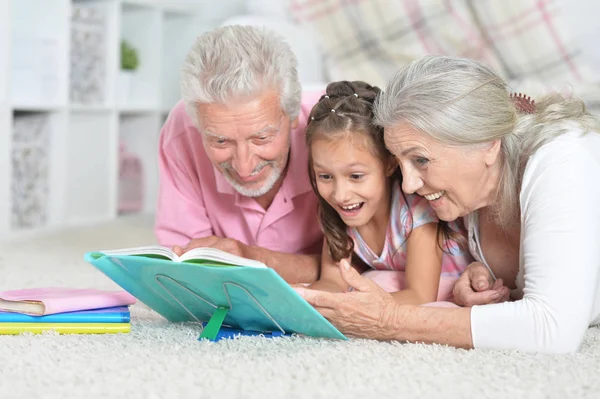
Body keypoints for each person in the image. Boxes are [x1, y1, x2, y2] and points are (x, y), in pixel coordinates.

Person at [295, 55, 600, 353]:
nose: (408, 184)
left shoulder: (561, 160)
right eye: (401, 162)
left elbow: (553, 328)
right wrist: (475, 280)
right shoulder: (468, 199)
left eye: (421, 159)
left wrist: (389, 319)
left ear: (488, 143)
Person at [154, 25, 324, 283]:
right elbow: (187, 269)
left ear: (291, 117)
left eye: (262, 138)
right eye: (220, 141)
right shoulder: (182, 131)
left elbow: (365, 263)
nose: (244, 167)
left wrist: (252, 259)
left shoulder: (339, 131)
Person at [304, 80, 472, 304]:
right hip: (398, 288)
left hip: (454, 287)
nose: (340, 194)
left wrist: (349, 306)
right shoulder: (341, 212)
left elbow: (420, 296)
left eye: (356, 176)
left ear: (389, 164)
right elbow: (332, 282)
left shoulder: (416, 213)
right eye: (325, 176)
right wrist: (302, 297)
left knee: (374, 283)